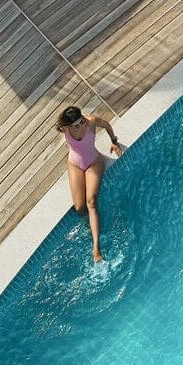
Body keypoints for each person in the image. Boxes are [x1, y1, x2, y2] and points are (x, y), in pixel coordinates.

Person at [56, 106, 121, 262]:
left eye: (81, 121)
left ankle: (96, 248)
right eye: (76, 125)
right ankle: (90, 227)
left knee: (91, 201)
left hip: (93, 162)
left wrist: (114, 142)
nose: (80, 126)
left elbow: (106, 125)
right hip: (75, 164)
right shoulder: (65, 128)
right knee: (79, 208)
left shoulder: (91, 121)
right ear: (68, 126)